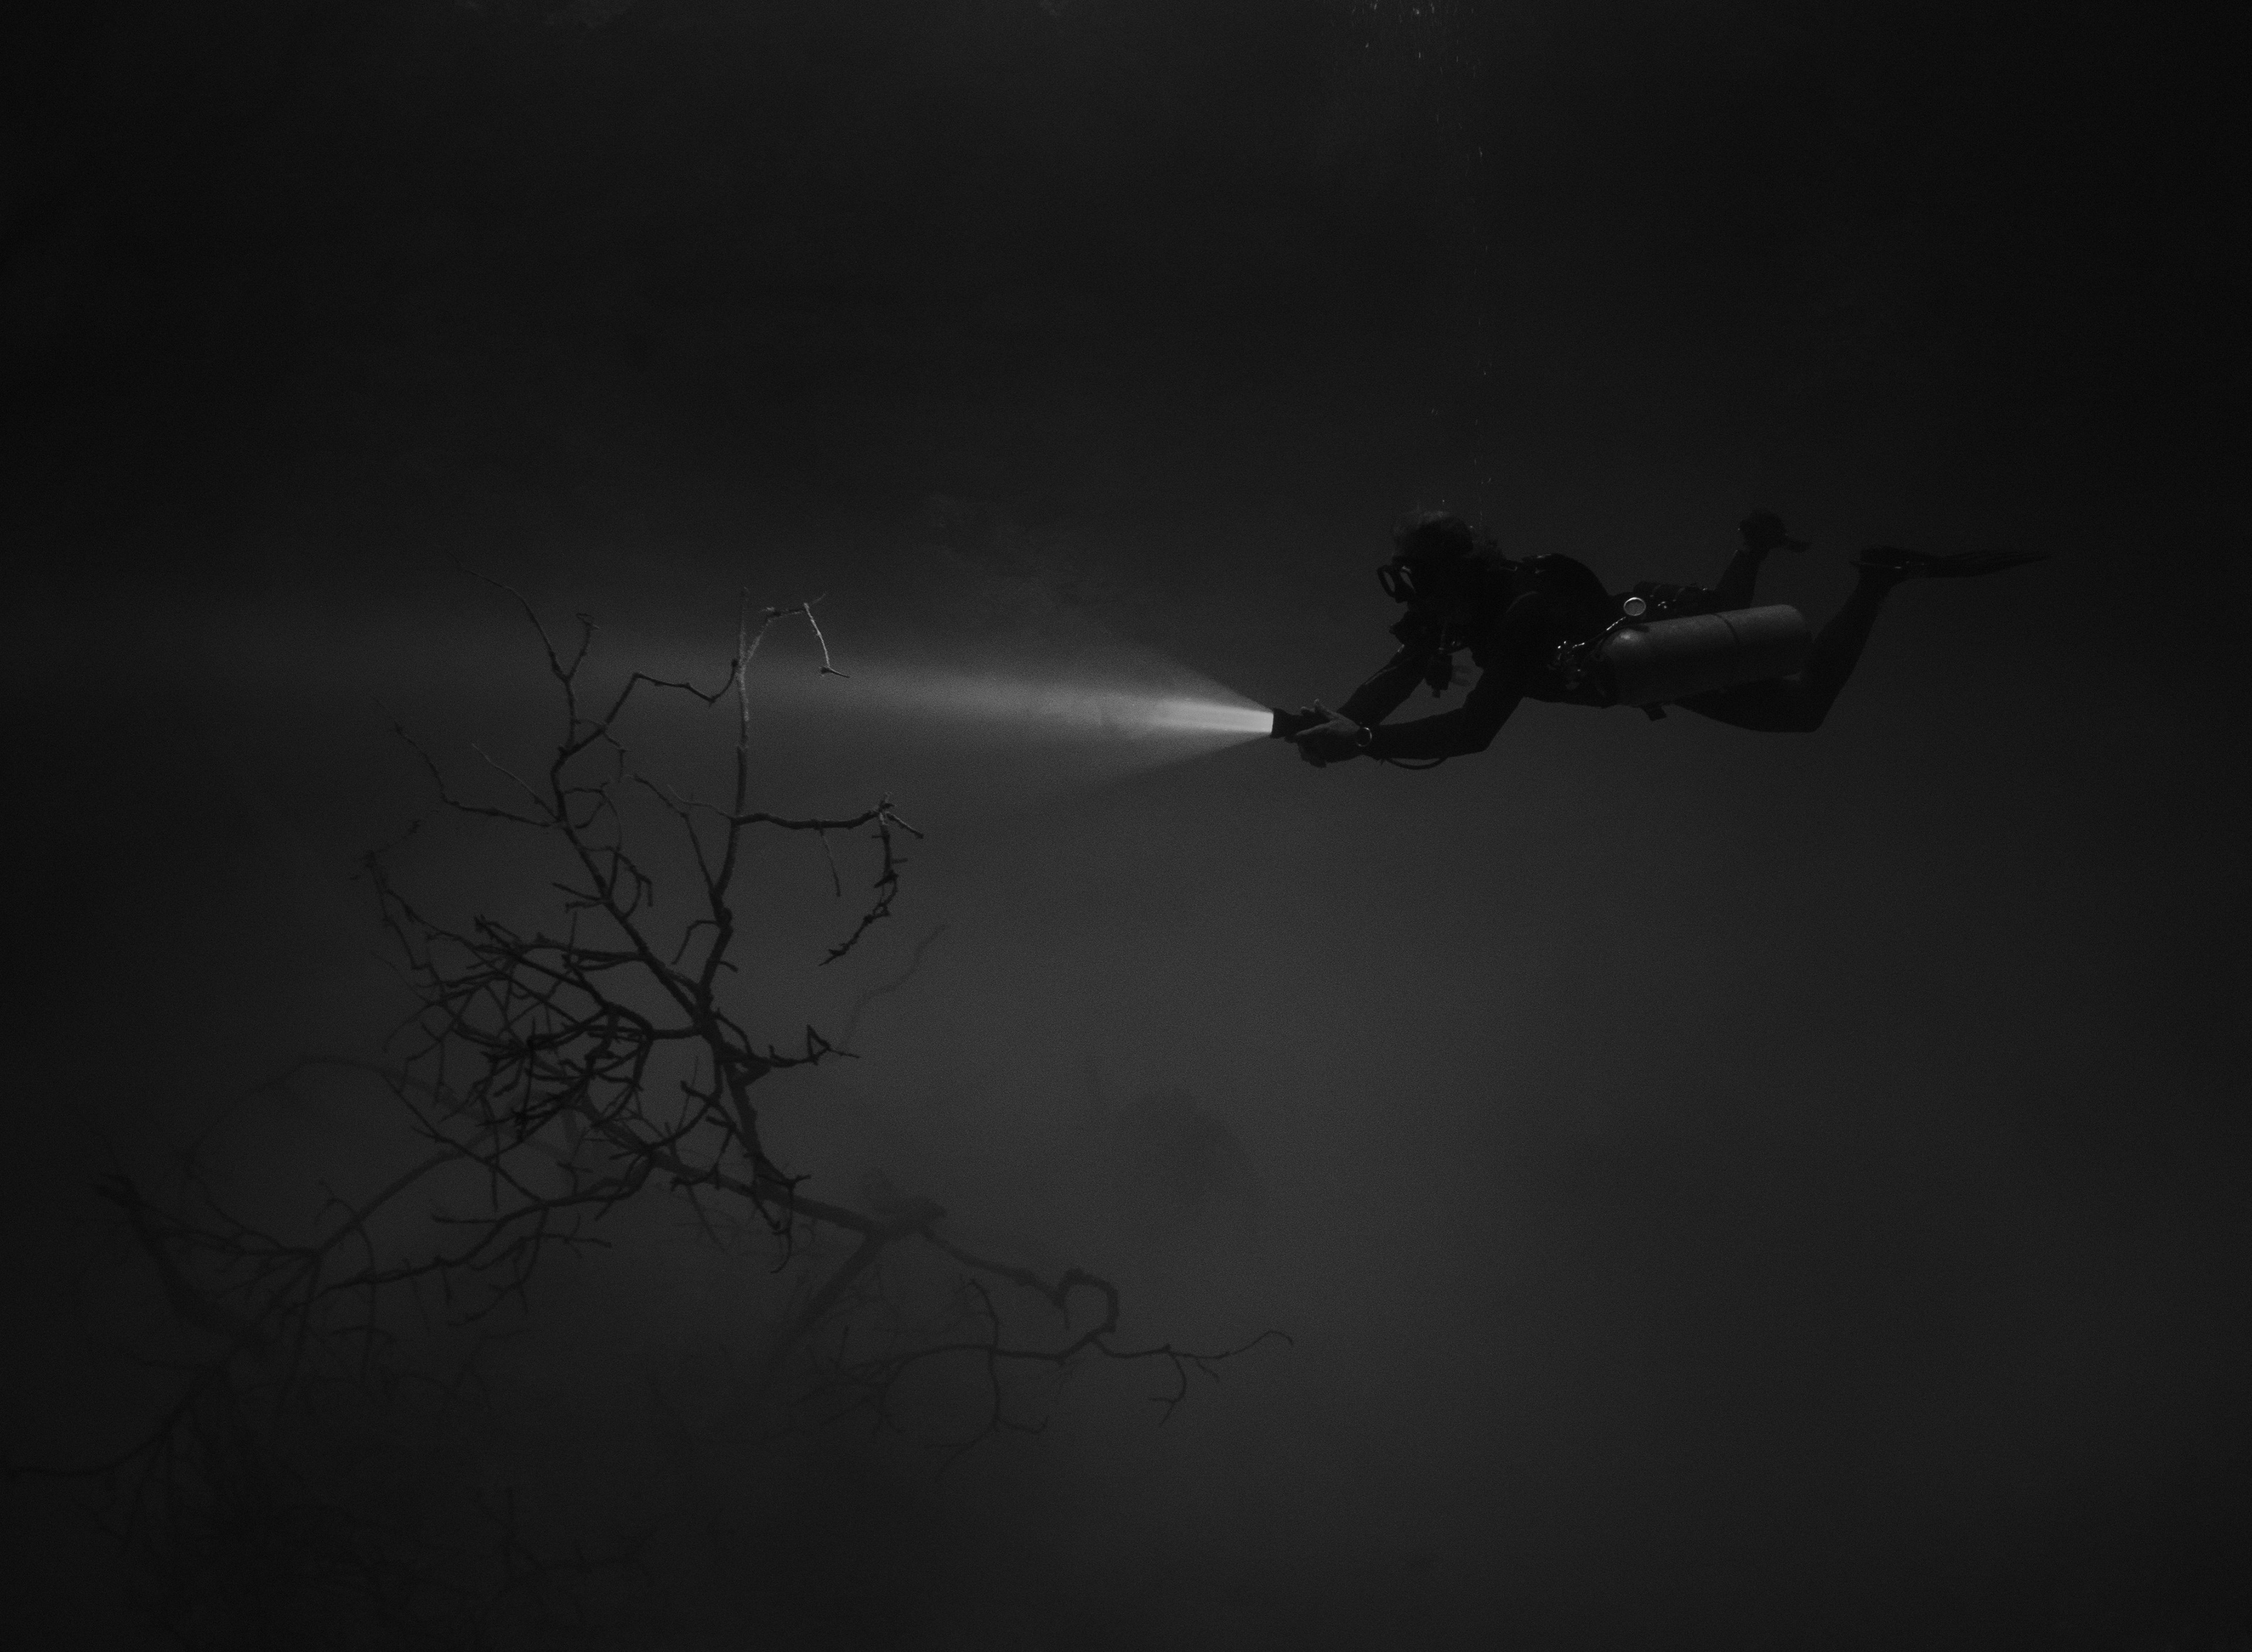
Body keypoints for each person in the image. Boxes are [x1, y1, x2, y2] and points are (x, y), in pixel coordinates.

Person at [1288, 510, 2045, 766]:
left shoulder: (1520, 614)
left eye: (1423, 582)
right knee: (1725, 624)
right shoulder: (1456, 607)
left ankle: (1876, 580)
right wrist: (1342, 722)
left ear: (1453, 572)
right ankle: (1754, 548)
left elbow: (1475, 730)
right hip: (1638, 644)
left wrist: (1365, 743)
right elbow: (1402, 669)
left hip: (1646, 647)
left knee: (1801, 706)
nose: (1420, 603)